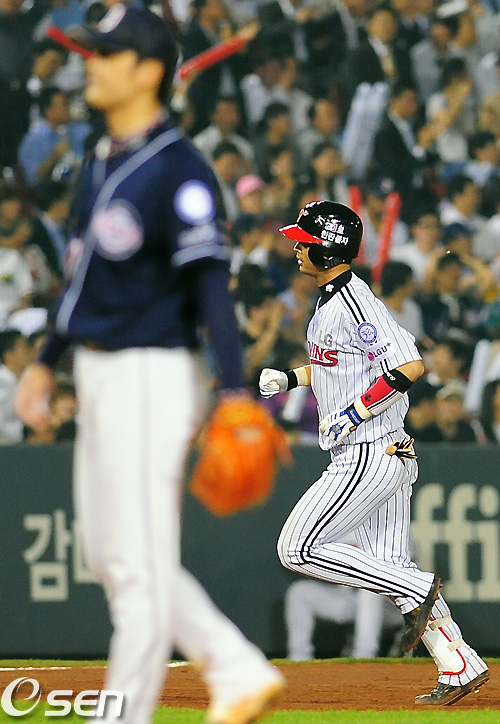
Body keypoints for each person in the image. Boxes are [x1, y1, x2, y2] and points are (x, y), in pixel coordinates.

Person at [14, 7, 284, 724]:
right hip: (98, 373)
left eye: (107, 54)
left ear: (147, 71)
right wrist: (45, 364)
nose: (91, 65)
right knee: (111, 556)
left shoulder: (180, 170)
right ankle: (234, 665)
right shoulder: (101, 160)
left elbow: (210, 286)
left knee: (136, 574)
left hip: (150, 375)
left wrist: (234, 390)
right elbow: (79, 281)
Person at [259, 199, 488, 704]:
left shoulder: (354, 301)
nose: (297, 248)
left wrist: (356, 411)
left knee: (296, 547)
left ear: (328, 249)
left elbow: (408, 366)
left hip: (369, 449)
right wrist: (292, 378)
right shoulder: (336, 301)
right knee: (389, 565)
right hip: (383, 450)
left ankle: (416, 586)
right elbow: (341, 366)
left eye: (305, 241)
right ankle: (460, 664)